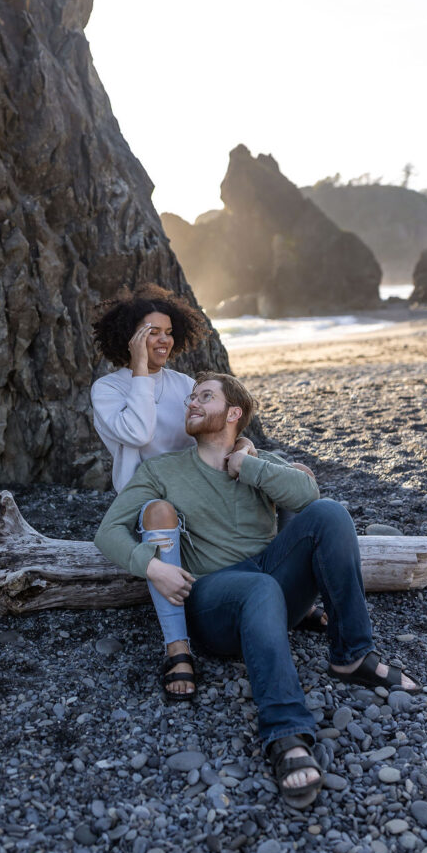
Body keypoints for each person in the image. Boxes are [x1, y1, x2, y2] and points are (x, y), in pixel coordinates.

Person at [95, 372, 422, 809]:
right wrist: (151, 566)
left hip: (271, 586)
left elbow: (308, 493)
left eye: (204, 397)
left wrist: (246, 465)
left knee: (330, 514)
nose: (191, 403)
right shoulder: (163, 470)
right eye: (190, 397)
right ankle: (285, 734)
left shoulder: (257, 462)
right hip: (215, 602)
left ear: (233, 414)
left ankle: (352, 656)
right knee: (259, 587)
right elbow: (108, 531)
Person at [91, 285, 257, 703]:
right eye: (151, 332)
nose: (162, 339)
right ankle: (177, 648)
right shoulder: (107, 390)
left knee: (284, 476)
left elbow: (210, 432)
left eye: (167, 331)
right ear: (130, 339)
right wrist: (141, 371)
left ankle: (295, 595)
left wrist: (244, 448)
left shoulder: (184, 382)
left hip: (195, 485)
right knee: (161, 511)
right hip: (147, 499)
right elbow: (138, 432)